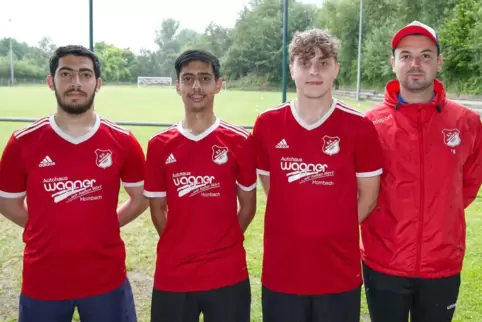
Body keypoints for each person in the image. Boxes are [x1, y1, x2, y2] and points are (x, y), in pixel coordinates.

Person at [0, 45, 147, 322]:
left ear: (98, 83)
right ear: (50, 81)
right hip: (43, 279)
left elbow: (140, 197)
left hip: (106, 279)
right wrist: (44, 224)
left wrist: (106, 223)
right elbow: (7, 202)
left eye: (85, 74)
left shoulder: (123, 141)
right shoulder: (23, 142)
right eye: (66, 74)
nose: (76, 83)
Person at [252, 28, 383, 322]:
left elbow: (369, 196)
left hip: (338, 272)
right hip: (282, 271)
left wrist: (332, 228)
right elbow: (274, 189)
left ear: (336, 69)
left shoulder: (359, 127)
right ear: (292, 68)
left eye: (323, 63)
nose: (314, 71)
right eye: (304, 62)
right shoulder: (268, 124)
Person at [360, 21, 482, 322]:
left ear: (438, 63)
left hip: (442, 263)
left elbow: (467, 185)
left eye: (426, 55)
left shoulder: (466, 122)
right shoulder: (368, 124)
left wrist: (438, 215)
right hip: (383, 262)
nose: (416, 64)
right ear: (393, 63)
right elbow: (359, 189)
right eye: (406, 55)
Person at [143, 49, 257, 322]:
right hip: (174, 274)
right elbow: (157, 209)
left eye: (205, 78)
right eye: (189, 79)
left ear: (218, 85)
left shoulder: (240, 141)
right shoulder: (159, 145)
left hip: (227, 272)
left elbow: (249, 206)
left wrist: (224, 239)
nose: (196, 86)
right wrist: (180, 242)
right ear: (178, 86)